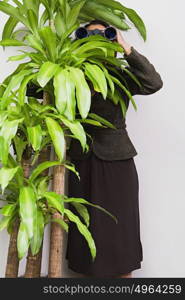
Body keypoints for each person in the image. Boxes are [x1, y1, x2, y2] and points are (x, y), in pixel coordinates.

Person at [65, 19, 163, 278]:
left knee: (120, 233)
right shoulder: (69, 75)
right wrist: (62, 53)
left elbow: (154, 82)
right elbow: (35, 89)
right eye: (89, 35)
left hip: (117, 162)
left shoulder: (120, 76)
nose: (96, 39)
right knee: (86, 232)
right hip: (82, 162)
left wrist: (124, 45)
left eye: (103, 34)